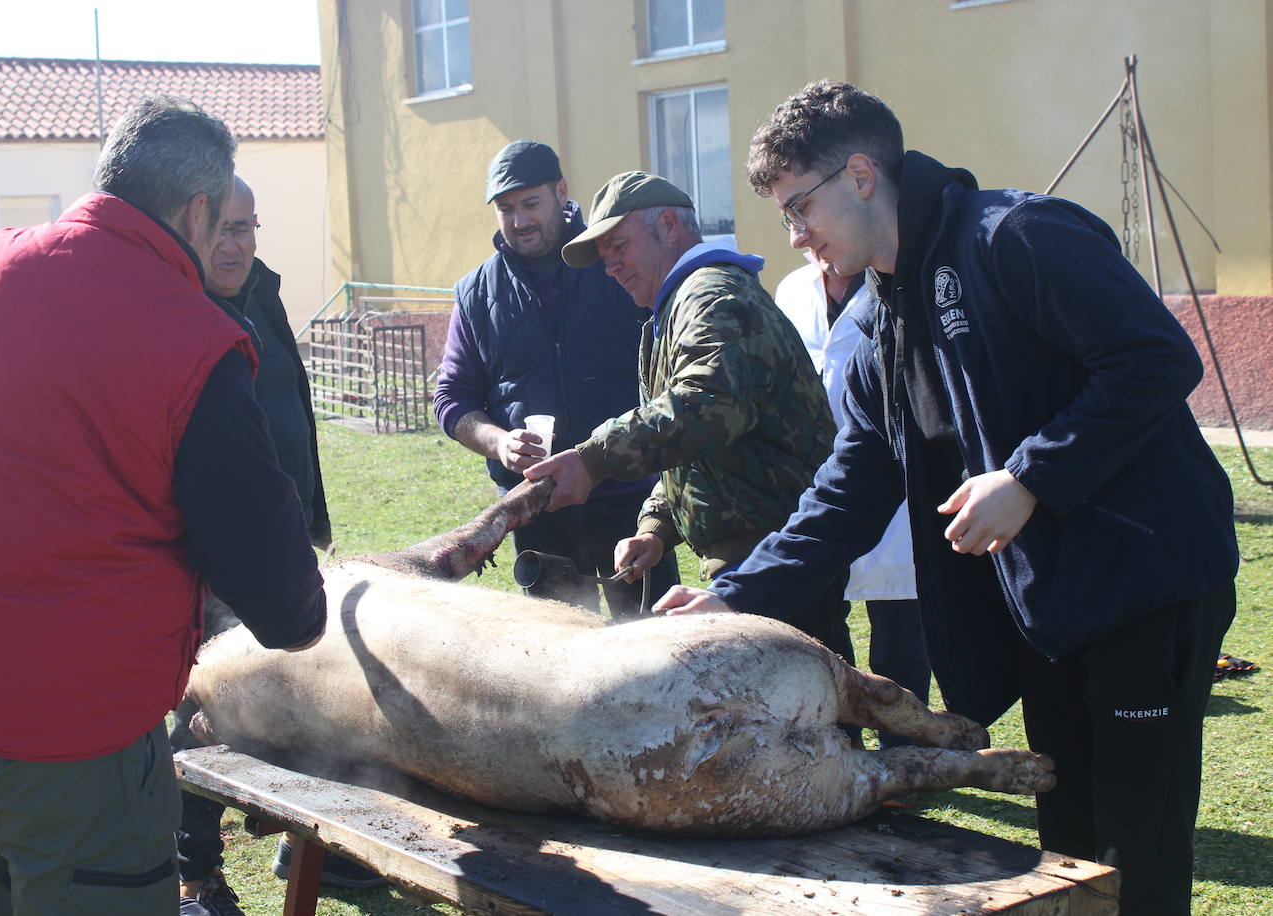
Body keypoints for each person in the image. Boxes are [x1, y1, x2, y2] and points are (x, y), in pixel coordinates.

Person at [657, 80, 1238, 916]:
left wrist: (1031, 477)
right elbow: (850, 490)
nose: (795, 238)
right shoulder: (867, 329)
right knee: (1067, 843)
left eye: (798, 208)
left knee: (1137, 849)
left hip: (1145, 584)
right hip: (1044, 609)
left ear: (862, 174)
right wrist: (733, 594)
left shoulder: (1018, 236)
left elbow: (1156, 359)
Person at [0, 96, 328, 916]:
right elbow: (280, 598)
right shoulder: (189, 335)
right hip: (68, 732)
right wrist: (306, 614)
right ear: (199, 210)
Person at [523, 171, 852, 665]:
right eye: (603, 255)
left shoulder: (711, 295)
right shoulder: (678, 305)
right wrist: (656, 528)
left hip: (779, 556)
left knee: (797, 725)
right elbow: (697, 449)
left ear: (670, 226)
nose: (610, 266)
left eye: (618, 245)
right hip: (761, 553)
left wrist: (593, 460)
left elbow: (708, 406)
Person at [170, 176, 378, 915]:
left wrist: (312, 514)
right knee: (202, 709)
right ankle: (196, 872)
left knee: (299, 689)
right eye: (223, 228)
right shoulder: (177, 308)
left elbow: (293, 405)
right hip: (212, 554)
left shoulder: (263, 292)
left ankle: (301, 835)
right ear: (191, 227)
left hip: (281, 534)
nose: (236, 243)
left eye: (247, 226)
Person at [435, 140, 679, 616]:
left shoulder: (617, 265)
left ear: (562, 193)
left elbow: (669, 373)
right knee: (560, 664)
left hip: (630, 495)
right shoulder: (475, 292)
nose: (520, 221)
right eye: (506, 209)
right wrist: (498, 442)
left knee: (652, 648)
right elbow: (452, 398)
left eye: (531, 204)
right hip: (535, 507)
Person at [774, 251, 930, 757]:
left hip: (892, 480)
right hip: (818, 487)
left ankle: (906, 751)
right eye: (790, 217)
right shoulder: (792, 290)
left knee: (900, 629)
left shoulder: (901, 284)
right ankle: (838, 746)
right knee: (821, 628)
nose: (803, 233)